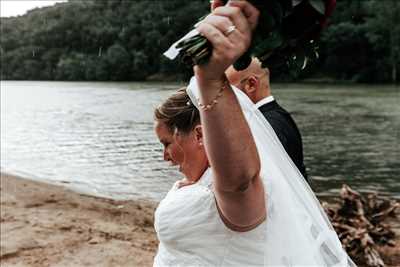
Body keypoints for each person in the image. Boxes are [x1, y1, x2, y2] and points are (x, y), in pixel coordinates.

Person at [153, 1, 354, 266]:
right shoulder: (203, 180)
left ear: (201, 135)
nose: (164, 156)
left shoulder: (236, 190)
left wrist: (210, 78)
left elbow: (240, 183)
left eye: (167, 143)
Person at [225, 58, 308, 180]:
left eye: (228, 89)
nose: (223, 97)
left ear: (251, 84)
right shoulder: (278, 117)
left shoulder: (266, 125)